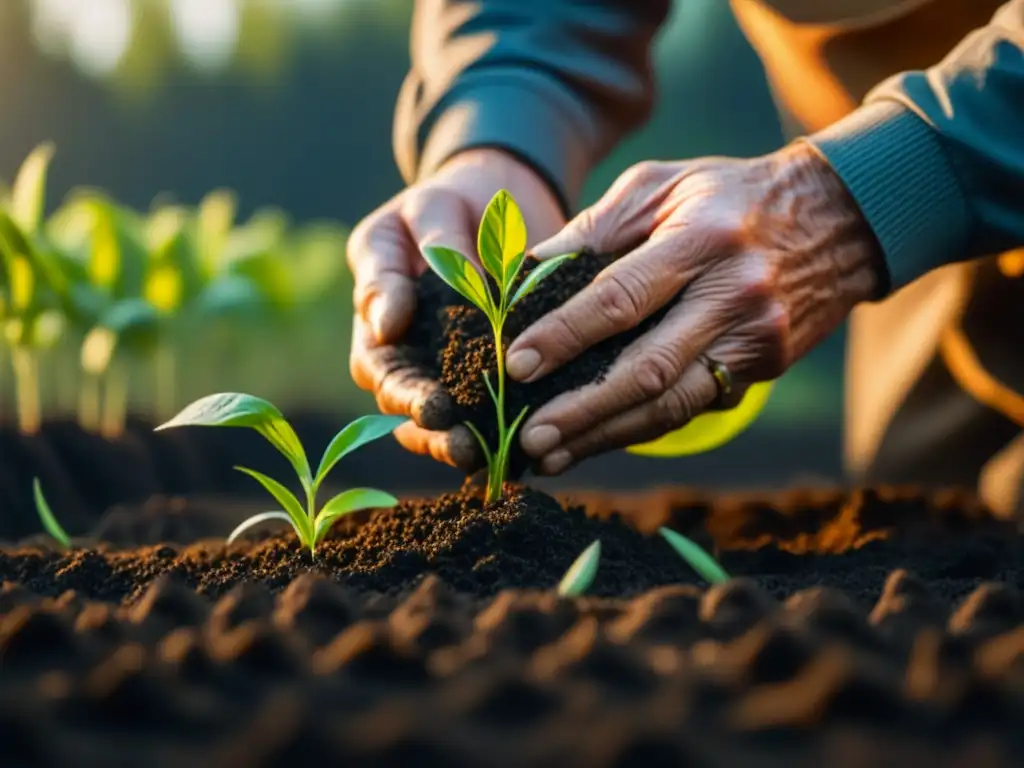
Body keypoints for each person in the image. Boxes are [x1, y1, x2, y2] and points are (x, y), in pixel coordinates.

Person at [348, 0, 1024, 514]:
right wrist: (499, 132)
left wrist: (866, 193)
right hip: (922, 250)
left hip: (924, 167)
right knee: (930, 522)